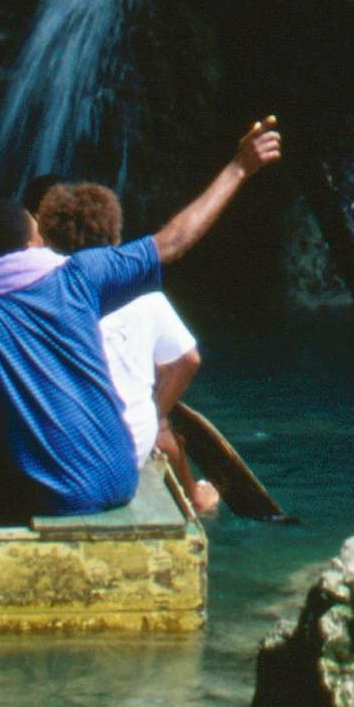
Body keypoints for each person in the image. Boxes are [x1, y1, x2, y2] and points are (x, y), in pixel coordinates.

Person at [0, 120, 281, 528]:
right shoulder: (78, 276)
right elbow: (173, 242)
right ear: (31, 242)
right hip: (119, 479)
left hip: (53, 495)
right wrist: (240, 166)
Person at [32, 181, 219, 514]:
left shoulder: (38, 293)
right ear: (116, 238)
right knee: (160, 427)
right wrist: (157, 411)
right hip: (124, 454)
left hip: (55, 453)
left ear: (46, 239)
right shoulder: (146, 296)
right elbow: (188, 359)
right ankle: (195, 498)